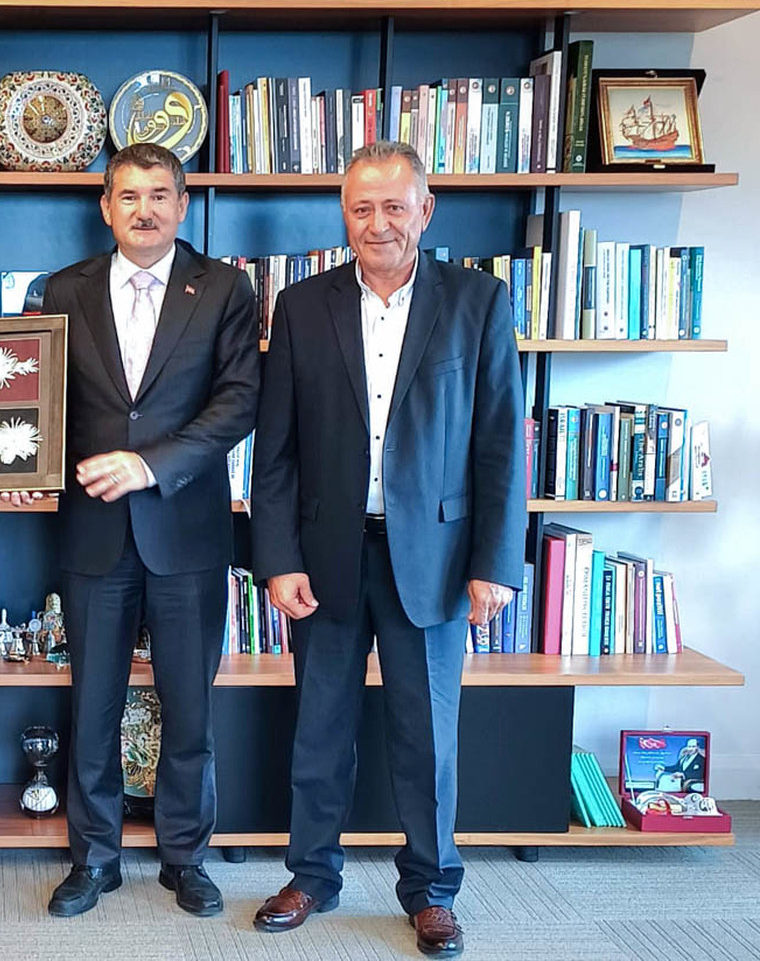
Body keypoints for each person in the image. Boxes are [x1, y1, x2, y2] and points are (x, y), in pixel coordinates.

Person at [249, 140, 526, 955]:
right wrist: (277, 558)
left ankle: (432, 891)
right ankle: (311, 876)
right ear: (345, 215)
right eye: (362, 208)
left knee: (427, 738)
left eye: (394, 207)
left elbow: (501, 443)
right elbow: (276, 450)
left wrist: (494, 564)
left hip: (435, 559)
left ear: (425, 211)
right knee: (319, 732)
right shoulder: (302, 305)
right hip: (325, 556)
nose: (378, 224)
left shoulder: (478, 301)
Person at [13, 143, 260, 918]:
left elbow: (238, 402)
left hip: (186, 531)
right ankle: (94, 859)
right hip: (93, 532)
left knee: (189, 708)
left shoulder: (225, 288)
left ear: (182, 205)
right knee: (93, 706)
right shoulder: (65, 289)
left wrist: (150, 465)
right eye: (129, 196)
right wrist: (18, 462)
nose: (144, 210)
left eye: (159, 195)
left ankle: (185, 858)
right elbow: (40, 397)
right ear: (106, 207)